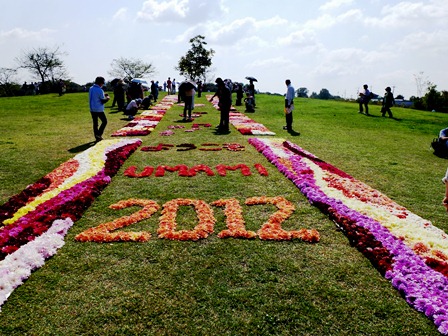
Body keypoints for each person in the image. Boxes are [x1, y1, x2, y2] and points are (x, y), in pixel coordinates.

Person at [89, 76, 110, 142]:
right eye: (102, 83)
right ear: (100, 83)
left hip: (92, 108)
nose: (102, 84)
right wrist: (107, 98)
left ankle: (97, 136)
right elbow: (102, 101)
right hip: (98, 108)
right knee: (104, 121)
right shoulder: (100, 90)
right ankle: (99, 134)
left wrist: (103, 95)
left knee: (95, 123)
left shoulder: (91, 88)